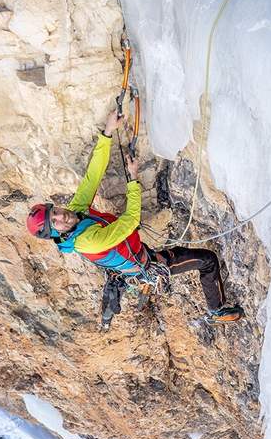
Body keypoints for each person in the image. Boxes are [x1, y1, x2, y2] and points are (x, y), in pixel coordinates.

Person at [26, 109, 243, 326]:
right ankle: (216, 312)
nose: (61, 216)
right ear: (56, 233)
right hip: (144, 264)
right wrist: (133, 178)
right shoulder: (87, 241)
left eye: (54, 211)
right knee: (207, 260)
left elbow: (93, 175)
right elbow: (130, 221)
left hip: (137, 257)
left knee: (196, 258)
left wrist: (108, 132)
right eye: (55, 222)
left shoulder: (76, 211)